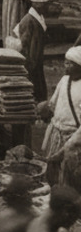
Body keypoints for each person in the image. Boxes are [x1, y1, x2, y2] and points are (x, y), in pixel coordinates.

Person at [38, 47, 81, 191]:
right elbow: (53, 103)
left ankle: (67, 205)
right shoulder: (64, 80)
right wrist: (44, 109)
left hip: (72, 140)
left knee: (69, 176)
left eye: (70, 64)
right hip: (56, 134)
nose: (66, 66)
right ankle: (52, 198)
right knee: (52, 171)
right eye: (65, 62)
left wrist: (71, 144)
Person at [16, 0, 50, 101]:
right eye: (44, 5)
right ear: (36, 4)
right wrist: (30, 62)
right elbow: (24, 44)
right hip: (31, 61)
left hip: (37, 59)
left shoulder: (39, 17)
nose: (47, 7)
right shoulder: (28, 21)